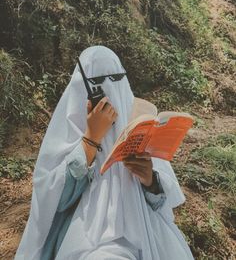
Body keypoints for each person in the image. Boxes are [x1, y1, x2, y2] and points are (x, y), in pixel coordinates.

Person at [14, 45, 194, 260]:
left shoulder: (137, 123)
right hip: (88, 237)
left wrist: (149, 180)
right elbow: (51, 201)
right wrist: (91, 138)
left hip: (146, 230)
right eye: (98, 83)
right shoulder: (68, 130)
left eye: (117, 78)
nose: (111, 88)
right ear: (84, 88)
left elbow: (164, 201)